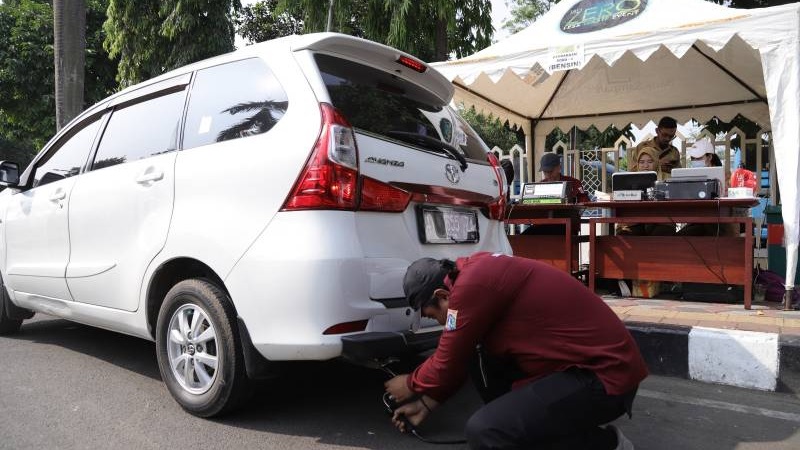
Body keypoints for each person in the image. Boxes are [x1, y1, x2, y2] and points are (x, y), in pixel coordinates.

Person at [385, 253, 648, 450]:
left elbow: (446, 360)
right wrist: (427, 403)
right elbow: (460, 355)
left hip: (603, 378)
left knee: (486, 431)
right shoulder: (473, 273)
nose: (441, 323)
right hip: (582, 370)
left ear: (442, 295)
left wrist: (410, 383)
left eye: (435, 315)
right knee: (480, 357)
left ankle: (605, 444)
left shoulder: (471, 287)